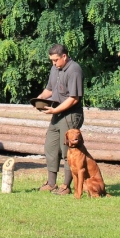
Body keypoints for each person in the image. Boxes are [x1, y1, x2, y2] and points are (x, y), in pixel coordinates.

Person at [36, 43, 85, 195]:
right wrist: (39, 99)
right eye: (51, 60)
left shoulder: (74, 70)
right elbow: (49, 89)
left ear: (64, 56)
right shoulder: (54, 68)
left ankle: (66, 186)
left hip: (70, 115)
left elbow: (74, 98)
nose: (53, 63)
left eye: (56, 60)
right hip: (56, 113)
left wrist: (55, 110)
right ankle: (51, 184)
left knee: (67, 151)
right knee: (50, 147)